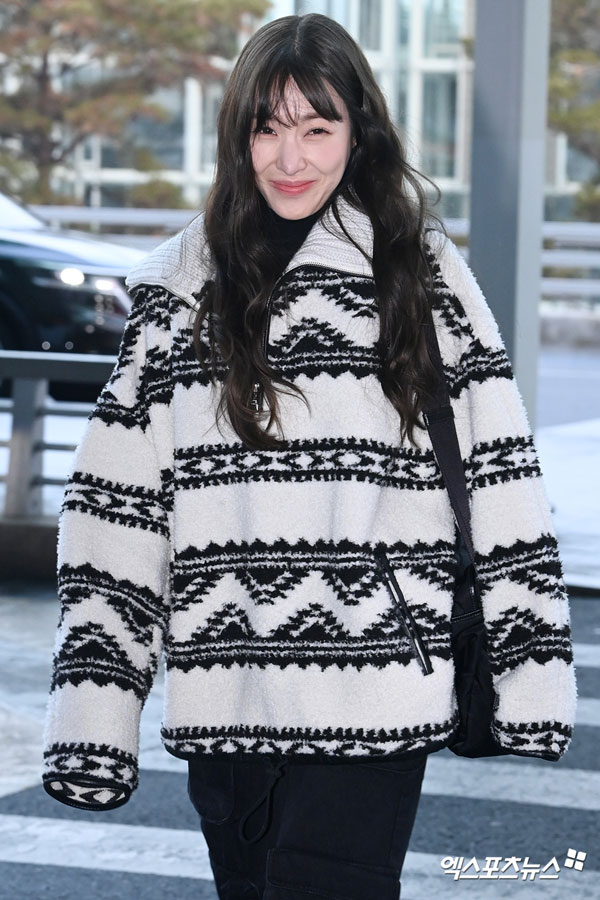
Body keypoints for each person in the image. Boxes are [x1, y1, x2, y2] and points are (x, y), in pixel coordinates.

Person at [42, 13, 577, 899]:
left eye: (317, 128)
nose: (290, 158)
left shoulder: (420, 275)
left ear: (358, 132)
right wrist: (94, 720)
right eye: (268, 128)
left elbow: (501, 476)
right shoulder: (181, 291)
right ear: (238, 137)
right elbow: (116, 515)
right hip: (227, 692)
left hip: (375, 687)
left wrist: (531, 681)